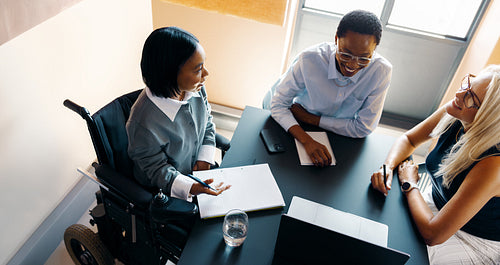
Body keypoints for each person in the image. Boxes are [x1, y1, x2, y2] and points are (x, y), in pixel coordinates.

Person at [370, 65, 500, 264]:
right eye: (468, 83)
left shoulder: (493, 165)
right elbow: (409, 140)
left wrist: (409, 184)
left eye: (471, 97)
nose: (459, 93)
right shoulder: (458, 109)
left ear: (488, 118)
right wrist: (387, 167)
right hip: (437, 205)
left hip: (472, 238)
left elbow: (433, 234)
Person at [270, 10, 392, 167]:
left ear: (374, 50)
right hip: (298, 124)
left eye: (364, 58)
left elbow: (363, 128)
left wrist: (312, 119)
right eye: (346, 54)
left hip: (339, 136)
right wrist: (307, 140)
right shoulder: (310, 59)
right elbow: (278, 104)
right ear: (336, 39)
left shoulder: (381, 71)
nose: (352, 65)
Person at [126, 27, 230, 201]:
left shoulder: (196, 89)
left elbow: (207, 123)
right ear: (170, 74)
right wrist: (191, 187)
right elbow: (157, 171)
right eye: (198, 69)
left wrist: (204, 158)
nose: (206, 74)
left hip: (196, 173)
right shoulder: (142, 123)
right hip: (164, 191)